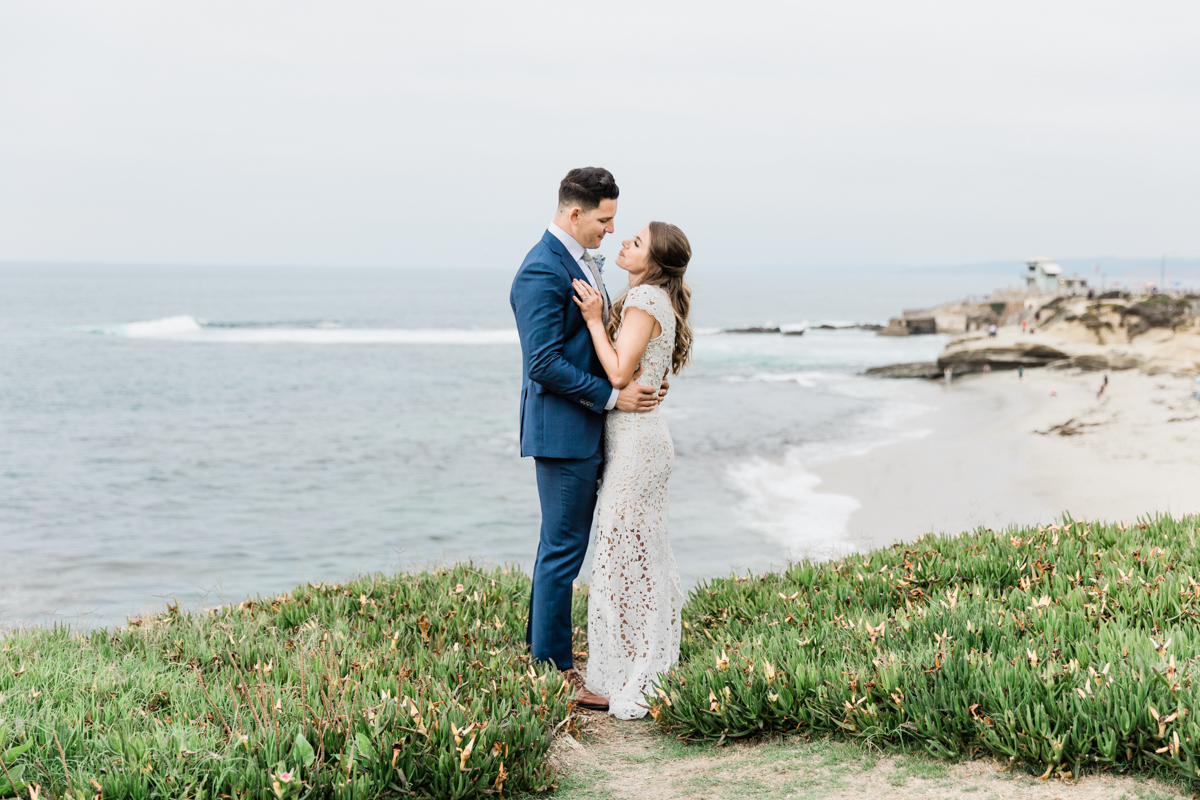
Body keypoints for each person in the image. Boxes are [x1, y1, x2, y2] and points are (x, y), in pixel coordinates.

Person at [509, 167, 666, 712]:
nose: (609, 230)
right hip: (563, 433)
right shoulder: (538, 271)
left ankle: (546, 653)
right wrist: (610, 397)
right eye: (603, 220)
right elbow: (545, 364)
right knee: (562, 550)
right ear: (574, 214)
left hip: (586, 430)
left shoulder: (579, 261)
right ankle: (553, 670)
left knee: (564, 546)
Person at [572, 220, 691, 719]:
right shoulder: (650, 300)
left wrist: (596, 321)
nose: (624, 242)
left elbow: (620, 374)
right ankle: (631, 662)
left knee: (621, 557)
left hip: (638, 447)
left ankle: (627, 672)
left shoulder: (644, 303)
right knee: (633, 557)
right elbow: (645, 374)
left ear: (655, 264)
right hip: (636, 441)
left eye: (636, 242)